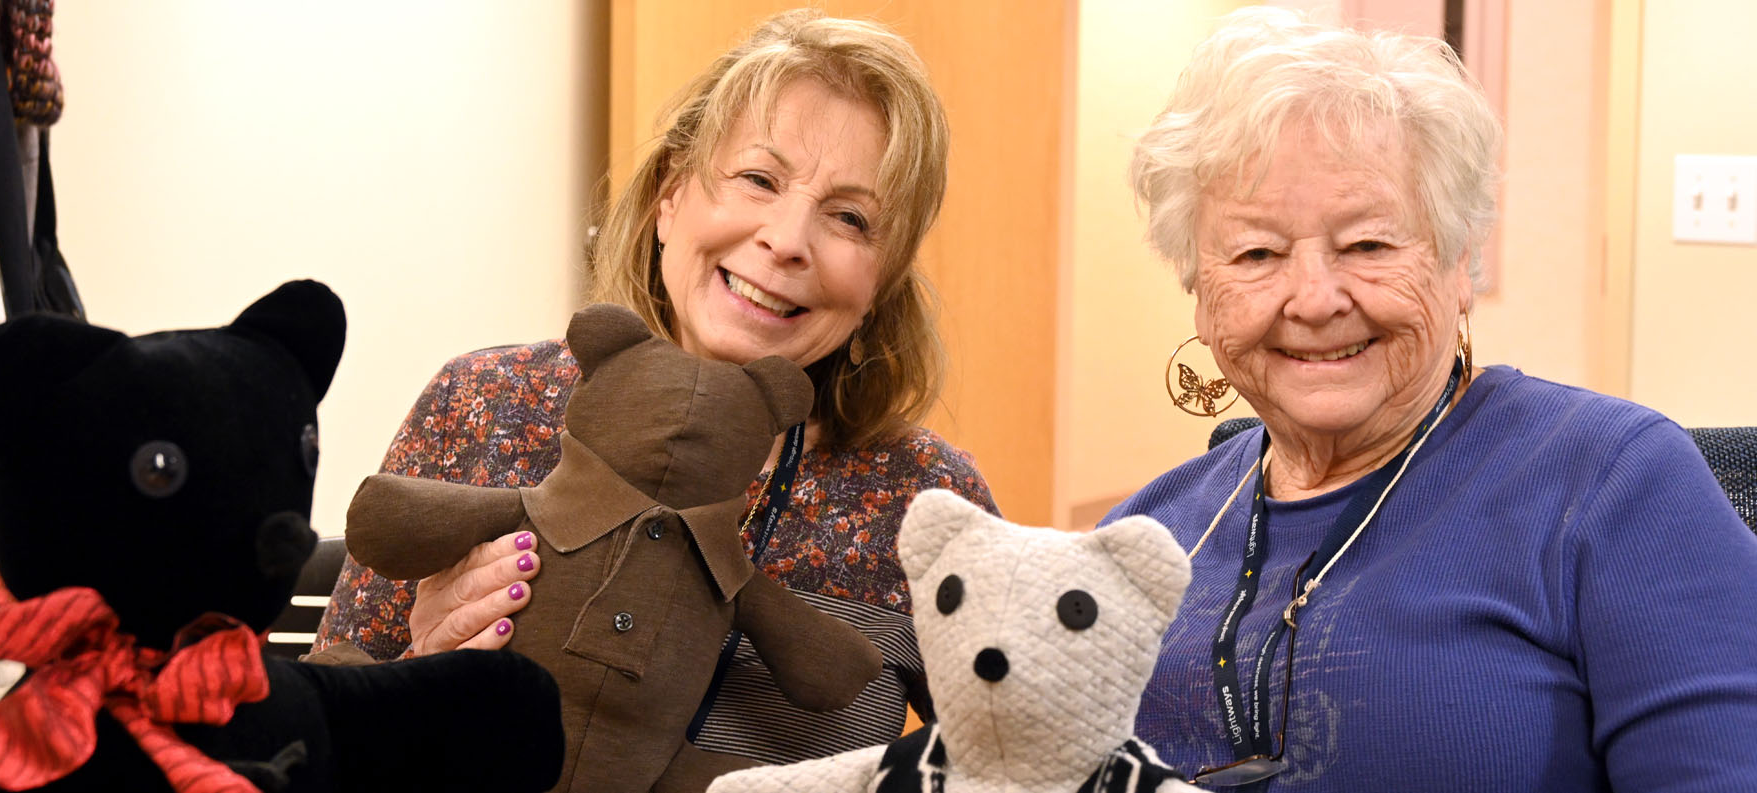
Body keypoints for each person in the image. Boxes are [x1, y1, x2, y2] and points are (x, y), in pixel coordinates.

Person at [311, 8, 995, 772]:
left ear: (881, 280)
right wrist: (420, 667)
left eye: (850, 218)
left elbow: (1028, 760)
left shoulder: (930, 499)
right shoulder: (481, 402)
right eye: (759, 179)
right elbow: (313, 734)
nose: (788, 241)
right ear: (672, 195)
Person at [1110, 8, 1757, 791]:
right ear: (1200, 292)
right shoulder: (1142, 539)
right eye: (1257, 252)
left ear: (1460, 263)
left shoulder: (1616, 485)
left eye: (1369, 244)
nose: (1314, 299)